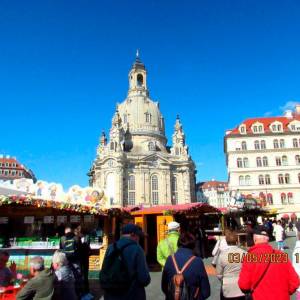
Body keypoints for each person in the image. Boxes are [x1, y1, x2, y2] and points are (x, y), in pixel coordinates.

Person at [238, 225, 299, 300]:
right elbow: (295, 280)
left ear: (254, 239)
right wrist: (285, 292)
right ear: (268, 239)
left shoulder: (250, 258)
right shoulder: (281, 255)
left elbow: (244, 285)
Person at [100, 223, 150, 300]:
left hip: (110, 294)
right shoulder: (137, 249)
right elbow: (144, 278)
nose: (139, 238)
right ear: (133, 235)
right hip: (131, 294)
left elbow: (104, 270)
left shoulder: (111, 247)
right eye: (138, 236)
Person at [161, 232, 210, 300]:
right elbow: (206, 292)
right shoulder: (197, 262)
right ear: (193, 245)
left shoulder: (170, 259)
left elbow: (164, 287)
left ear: (178, 244)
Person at [216, 231, 246, 300]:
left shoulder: (222, 255)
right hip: (242, 285)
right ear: (237, 241)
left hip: (228, 286)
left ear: (226, 242)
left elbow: (219, 274)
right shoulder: (244, 253)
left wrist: (224, 280)